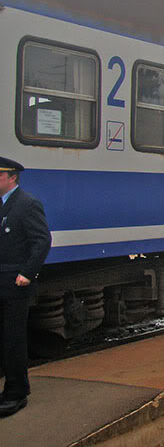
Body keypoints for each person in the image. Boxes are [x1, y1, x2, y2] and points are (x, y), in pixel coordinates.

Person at [0, 157, 51, 416]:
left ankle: (16, 392)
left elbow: (42, 241)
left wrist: (27, 274)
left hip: (14, 284)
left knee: (13, 339)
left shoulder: (27, 204)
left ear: (12, 178)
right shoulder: (3, 206)